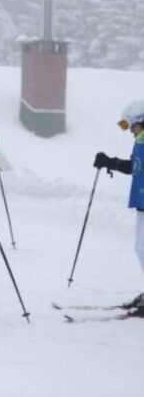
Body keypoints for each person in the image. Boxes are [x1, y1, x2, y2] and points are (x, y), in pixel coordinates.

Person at [93, 99, 144, 317]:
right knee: (140, 248)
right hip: (141, 203)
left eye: (131, 126)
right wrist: (110, 162)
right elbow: (134, 167)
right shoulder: (140, 143)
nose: (130, 132)